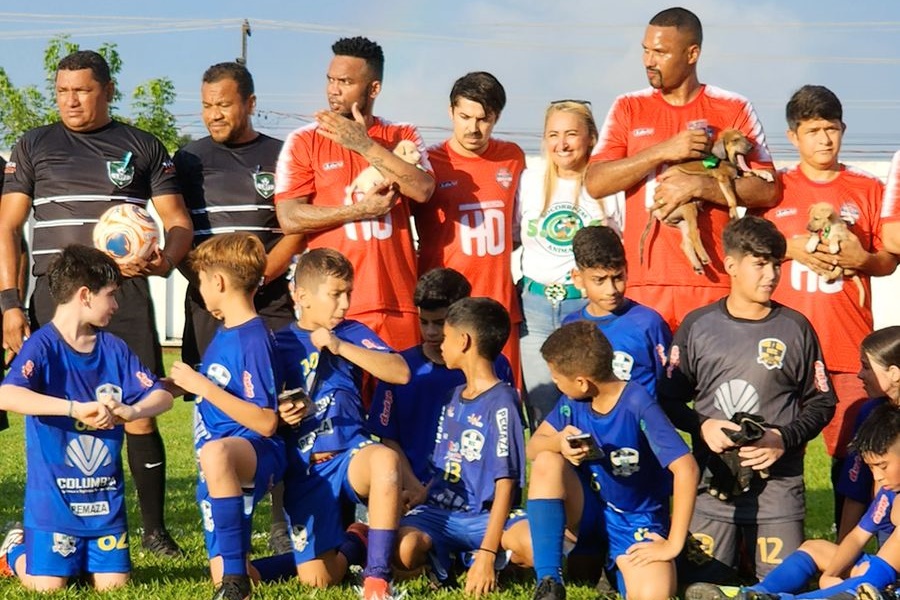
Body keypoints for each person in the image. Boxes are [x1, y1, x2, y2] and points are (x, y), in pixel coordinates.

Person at [0, 49, 192, 557]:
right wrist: (9, 303)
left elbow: (177, 222)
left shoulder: (142, 145)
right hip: (53, 295)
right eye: (62, 91)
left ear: (107, 90)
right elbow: (7, 227)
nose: (70, 100)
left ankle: (153, 530)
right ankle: (48, 519)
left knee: (140, 410)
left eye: (81, 90)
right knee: (46, 407)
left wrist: (165, 260)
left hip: (120, 294)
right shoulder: (33, 144)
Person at [659, 216, 837, 581]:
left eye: (776, 264)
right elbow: (668, 398)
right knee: (703, 583)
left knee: (781, 584)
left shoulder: (796, 327)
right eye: (759, 264)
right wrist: (702, 424)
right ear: (731, 265)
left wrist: (781, 439)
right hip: (713, 482)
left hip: (778, 486)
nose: (770, 274)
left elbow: (823, 401)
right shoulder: (698, 325)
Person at [174, 61, 302, 554]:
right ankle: (219, 503)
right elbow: (178, 227)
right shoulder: (186, 159)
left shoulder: (281, 154)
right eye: (206, 105)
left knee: (282, 406)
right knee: (217, 403)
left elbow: (295, 228)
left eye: (224, 104)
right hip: (211, 300)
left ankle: (281, 521)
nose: (214, 114)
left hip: (269, 301)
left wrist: (253, 279)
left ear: (249, 103)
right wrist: (214, 288)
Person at [757, 85, 897, 533]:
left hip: (846, 350)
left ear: (843, 130)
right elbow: (749, 254)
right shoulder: (773, 190)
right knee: (774, 451)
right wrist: (788, 247)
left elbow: (887, 260)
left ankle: (852, 548)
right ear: (792, 136)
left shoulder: (868, 188)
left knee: (855, 457)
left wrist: (863, 260)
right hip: (783, 351)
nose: (824, 139)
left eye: (831, 129)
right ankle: (763, 549)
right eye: (813, 130)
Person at [584, 6, 777, 332]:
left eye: (660, 52)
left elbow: (767, 189)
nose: (648, 60)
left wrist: (700, 187)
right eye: (645, 50)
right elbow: (595, 182)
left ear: (692, 53)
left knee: (708, 384)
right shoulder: (628, 106)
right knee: (647, 384)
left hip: (714, 279)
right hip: (645, 283)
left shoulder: (733, 107)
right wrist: (662, 151)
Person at [0, 245, 174, 592]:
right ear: (84, 295)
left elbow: (162, 395)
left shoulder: (114, 348)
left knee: (114, 586)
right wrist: (74, 409)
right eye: (111, 295)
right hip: (53, 505)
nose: (116, 305)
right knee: (47, 587)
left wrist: (132, 411)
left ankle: (78, 559)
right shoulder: (42, 346)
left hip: (104, 505)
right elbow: (6, 394)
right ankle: (15, 547)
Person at [502, 320, 698, 600]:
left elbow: (686, 468)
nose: (555, 383)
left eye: (557, 377)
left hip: (635, 521)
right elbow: (534, 447)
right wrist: (559, 443)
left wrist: (672, 544)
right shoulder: (573, 402)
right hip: (586, 515)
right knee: (547, 462)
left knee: (654, 594)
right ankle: (549, 582)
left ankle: (614, 570)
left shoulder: (637, 402)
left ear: (582, 382)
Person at [274, 36, 435, 354]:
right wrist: (358, 211)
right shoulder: (303, 141)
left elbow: (423, 189)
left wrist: (364, 145)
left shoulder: (401, 134)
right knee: (340, 403)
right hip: (333, 309)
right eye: (330, 80)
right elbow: (290, 218)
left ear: (373, 89)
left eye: (345, 82)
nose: (333, 89)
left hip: (398, 305)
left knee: (400, 401)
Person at [271, 248, 413, 600]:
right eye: (335, 294)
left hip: (352, 455)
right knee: (318, 579)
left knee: (383, 459)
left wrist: (339, 346)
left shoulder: (350, 332)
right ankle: (357, 541)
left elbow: (400, 371)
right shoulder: (277, 344)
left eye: (348, 292)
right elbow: (258, 406)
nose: (345, 303)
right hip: (308, 472)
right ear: (301, 295)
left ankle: (377, 579)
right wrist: (281, 413)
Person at [167, 233, 286, 600]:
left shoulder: (252, 338)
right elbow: (220, 384)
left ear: (217, 282)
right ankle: (308, 560)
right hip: (219, 463)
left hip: (251, 451)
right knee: (221, 572)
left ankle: (236, 581)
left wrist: (202, 387)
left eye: (201, 280)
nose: (200, 287)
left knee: (216, 453)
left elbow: (267, 422)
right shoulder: (225, 333)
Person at [687, 403, 900, 600]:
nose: (877, 477)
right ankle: (756, 593)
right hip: (883, 575)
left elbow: (877, 576)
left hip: (887, 584)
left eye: (882, 466)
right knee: (814, 548)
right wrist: (832, 574)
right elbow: (857, 537)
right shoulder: (889, 493)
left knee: (866, 587)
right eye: (871, 468)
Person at [395, 297, 525, 596]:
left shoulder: (503, 402)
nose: (440, 341)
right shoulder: (452, 396)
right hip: (440, 514)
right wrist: (420, 496)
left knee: (532, 544)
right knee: (403, 549)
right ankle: (448, 557)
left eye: (446, 334)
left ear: (464, 341)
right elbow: (449, 464)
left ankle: (484, 558)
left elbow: (506, 483)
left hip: (486, 517)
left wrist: (489, 555)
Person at [413, 71, 526, 390]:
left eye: (484, 119)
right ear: (450, 112)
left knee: (502, 398)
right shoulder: (429, 161)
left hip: (498, 306)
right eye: (464, 116)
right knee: (446, 401)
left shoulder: (513, 157)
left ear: (497, 117)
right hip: (445, 309)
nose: (473, 128)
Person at [517, 99, 622, 423]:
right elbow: (511, 238)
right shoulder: (529, 181)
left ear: (591, 137)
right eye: (553, 134)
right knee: (544, 412)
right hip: (534, 309)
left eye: (571, 134)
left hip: (586, 311)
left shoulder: (608, 185)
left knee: (594, 409)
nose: (561, 143)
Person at [368, 267, 514, 487]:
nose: (431, 332)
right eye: (423, 322)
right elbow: (389, 439)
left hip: (476, 496)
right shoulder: (399, 368)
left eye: (439, 323)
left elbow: (504, 442)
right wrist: (415, 487)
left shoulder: (494, 364)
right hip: (413, 492)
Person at [562, 225, 671, 400]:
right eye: (599, 280)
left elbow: (667, 386)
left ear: (627, 270)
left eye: (618, 277)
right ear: (577, 279)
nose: (611, 290)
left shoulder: (648, 323)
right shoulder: (570, 326)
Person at [836, 327, 900, 542]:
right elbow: (856, 488)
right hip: (886, 530)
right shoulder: (869, 412)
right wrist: (842, 550)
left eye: (866, 367)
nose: (859, 374)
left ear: (894, 373)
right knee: (813, 550)